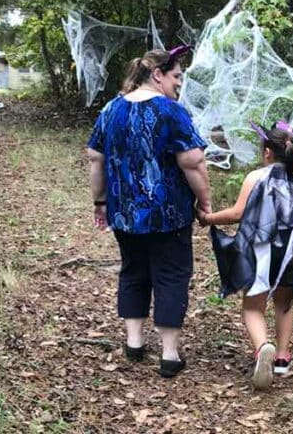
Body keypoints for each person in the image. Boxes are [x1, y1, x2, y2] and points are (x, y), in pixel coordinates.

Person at [86, 46, 211, 378]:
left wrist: (100, 202)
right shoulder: (171, 112)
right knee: (171, 275)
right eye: (176, 77)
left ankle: (135, 342)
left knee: (133, 271)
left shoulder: (110, 109)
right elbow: (194, 161)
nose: (179, 85)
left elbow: (95, 159)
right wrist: (205, 202)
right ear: (157, 75)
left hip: (124, 214)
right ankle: (169, 354)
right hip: (168, 216)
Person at [198, 121, 293, 390]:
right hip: (292, 252)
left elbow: (237, 213)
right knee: (284, 303)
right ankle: (282, 358)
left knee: (253, 305)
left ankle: (263, 346)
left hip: (260, 251)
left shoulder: (256, 178)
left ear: (267, 153)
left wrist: (208, 218)